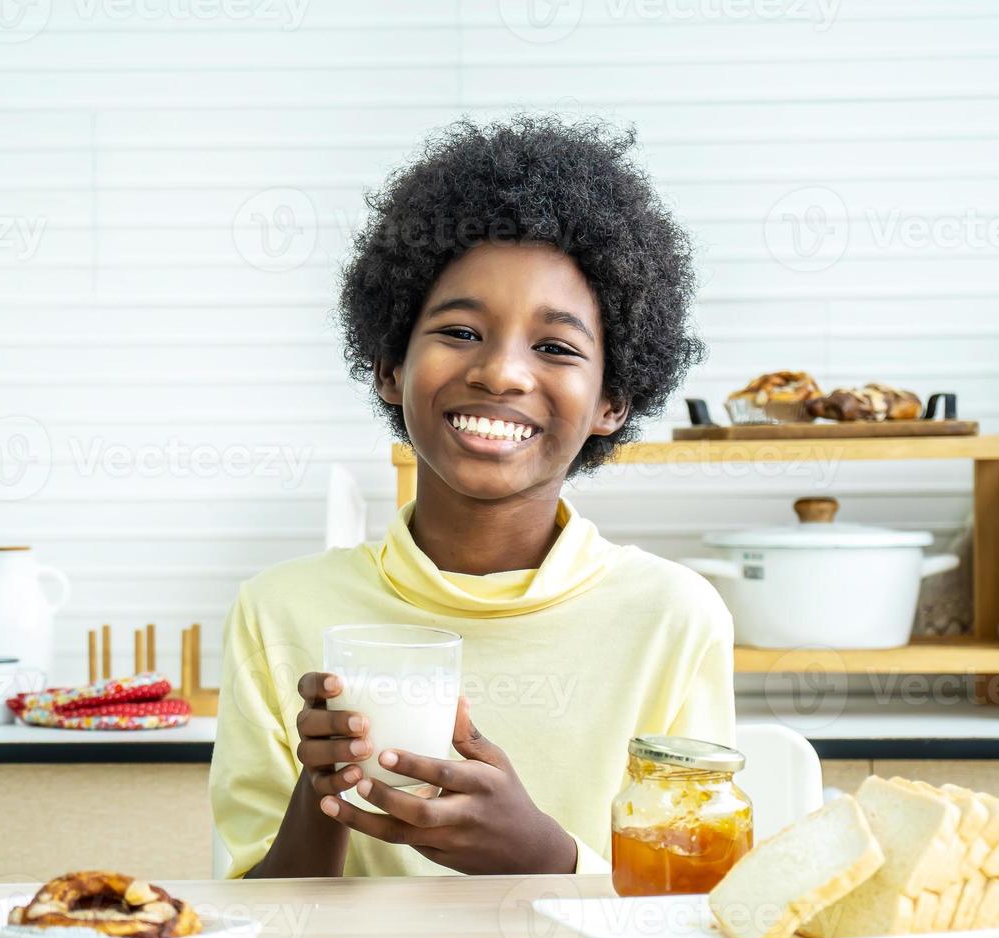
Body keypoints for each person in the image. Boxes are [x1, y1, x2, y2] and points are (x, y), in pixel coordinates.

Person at [209, 114, 733, 878]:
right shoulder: (280, 613)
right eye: (460, 330)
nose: (503, 374)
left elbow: (697, 909)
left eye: (555, 347)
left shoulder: (673, 619)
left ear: (611, 403)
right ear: (391, 366)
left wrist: (543, 856)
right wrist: (322, 790)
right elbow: (259, 919)